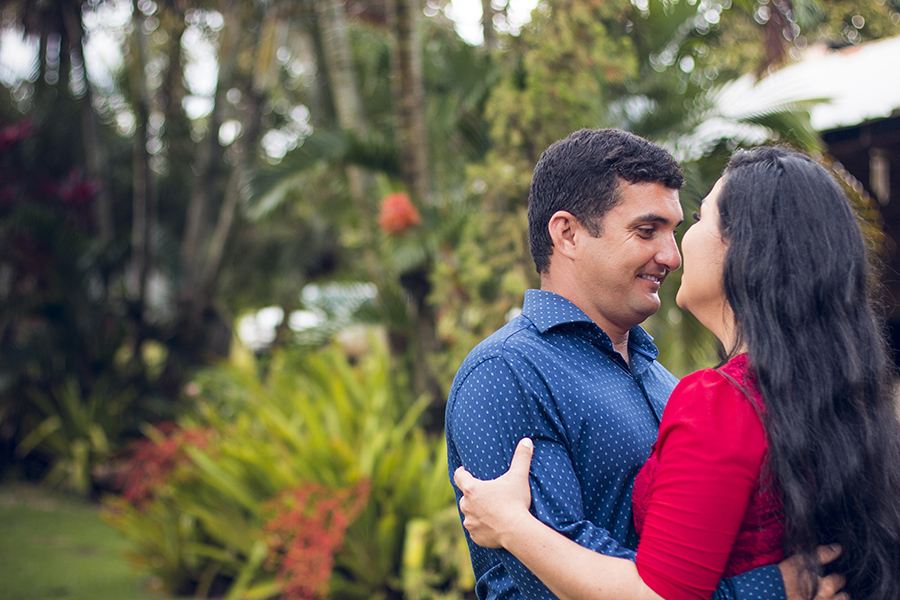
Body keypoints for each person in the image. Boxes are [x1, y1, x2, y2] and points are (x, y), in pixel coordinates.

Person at [454, 146, 900, 600]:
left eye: (683, 228)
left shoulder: (685, 386)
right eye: (647, 231)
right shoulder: (506, 373)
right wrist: (764, 590)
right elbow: (543, 582)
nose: (671, 255)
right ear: (567, 234)